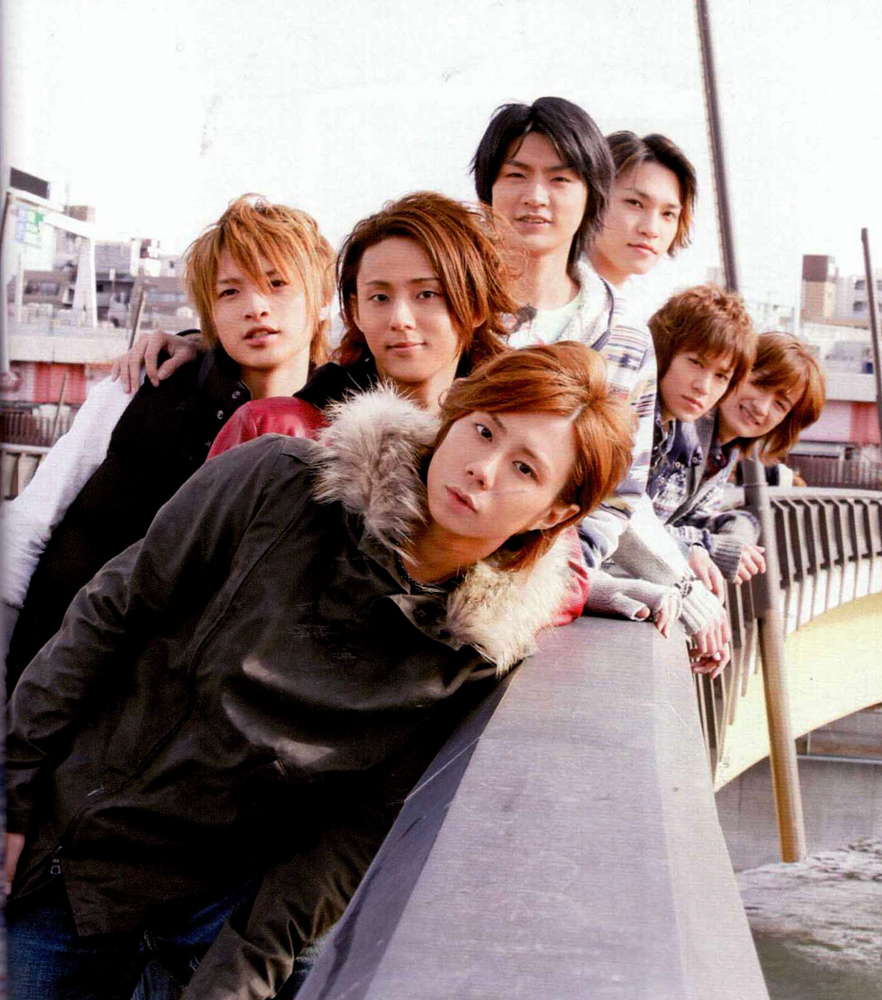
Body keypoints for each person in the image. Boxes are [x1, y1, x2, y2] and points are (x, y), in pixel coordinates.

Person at [6, 341, 635, 1000]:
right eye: (483, 430)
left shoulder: (477, 651)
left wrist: (240, 974)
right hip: (80, 863)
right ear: (454, 414)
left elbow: (351, 837)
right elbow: (109, 614)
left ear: (557, 513)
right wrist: (13, 789)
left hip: (225, 912)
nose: (483, 469)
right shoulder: (277, 479)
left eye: (525, 468)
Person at [3, 195, 334, 693]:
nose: (256, 307)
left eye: (277, 283)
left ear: (321, 296)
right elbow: (30, 523)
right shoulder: (142, 386)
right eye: (230, 292)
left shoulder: (337, 435)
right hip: (52, 674)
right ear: (210, 312)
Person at [471, 97, 728, 666]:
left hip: (536, 600)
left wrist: (564, 582)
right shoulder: (454, 305)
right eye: (516, 175)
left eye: (560, 180)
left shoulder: (628, 337)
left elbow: (618, 494)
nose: (536, 196)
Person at [205, 190, 517, 454]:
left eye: (426, 294)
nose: (400, 320)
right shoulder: (274, 429)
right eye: (380, 297)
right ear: (355, 311)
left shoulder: (510, 440)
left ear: (475, 306)